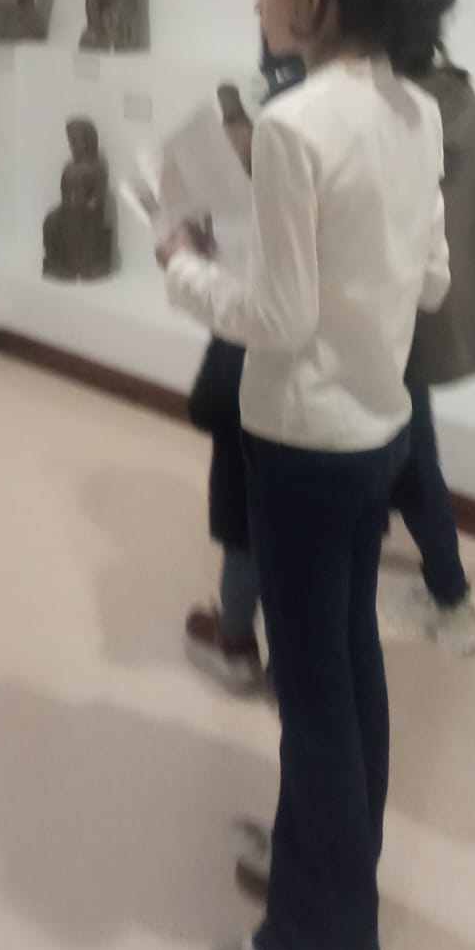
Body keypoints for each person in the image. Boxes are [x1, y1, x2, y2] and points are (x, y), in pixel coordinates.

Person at [156, 0, 450, 950]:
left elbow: (276, 319)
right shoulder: (414, 107)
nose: (258, 1)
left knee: (315, 693)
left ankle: (316, 942)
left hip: (302, 444)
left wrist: (184, 264)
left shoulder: (294, 125)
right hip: (377, 429)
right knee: (347, 665)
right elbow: (430, 280)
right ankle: (323, 859)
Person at [384, 0, 475, 654]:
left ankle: (452, 598)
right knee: (408, 446)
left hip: (401, 317)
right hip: (439, 308)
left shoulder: (402, 114)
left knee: (410, 455)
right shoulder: (460, 99)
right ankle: (447, 591)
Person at [185, 48, 306, 693]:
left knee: (250, 518)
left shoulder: (275, 210)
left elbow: (248, 309)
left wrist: (189, 263)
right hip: (313, 392)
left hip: (259, 377)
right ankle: (288, 656)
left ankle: (237, 635)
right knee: (292, 524)